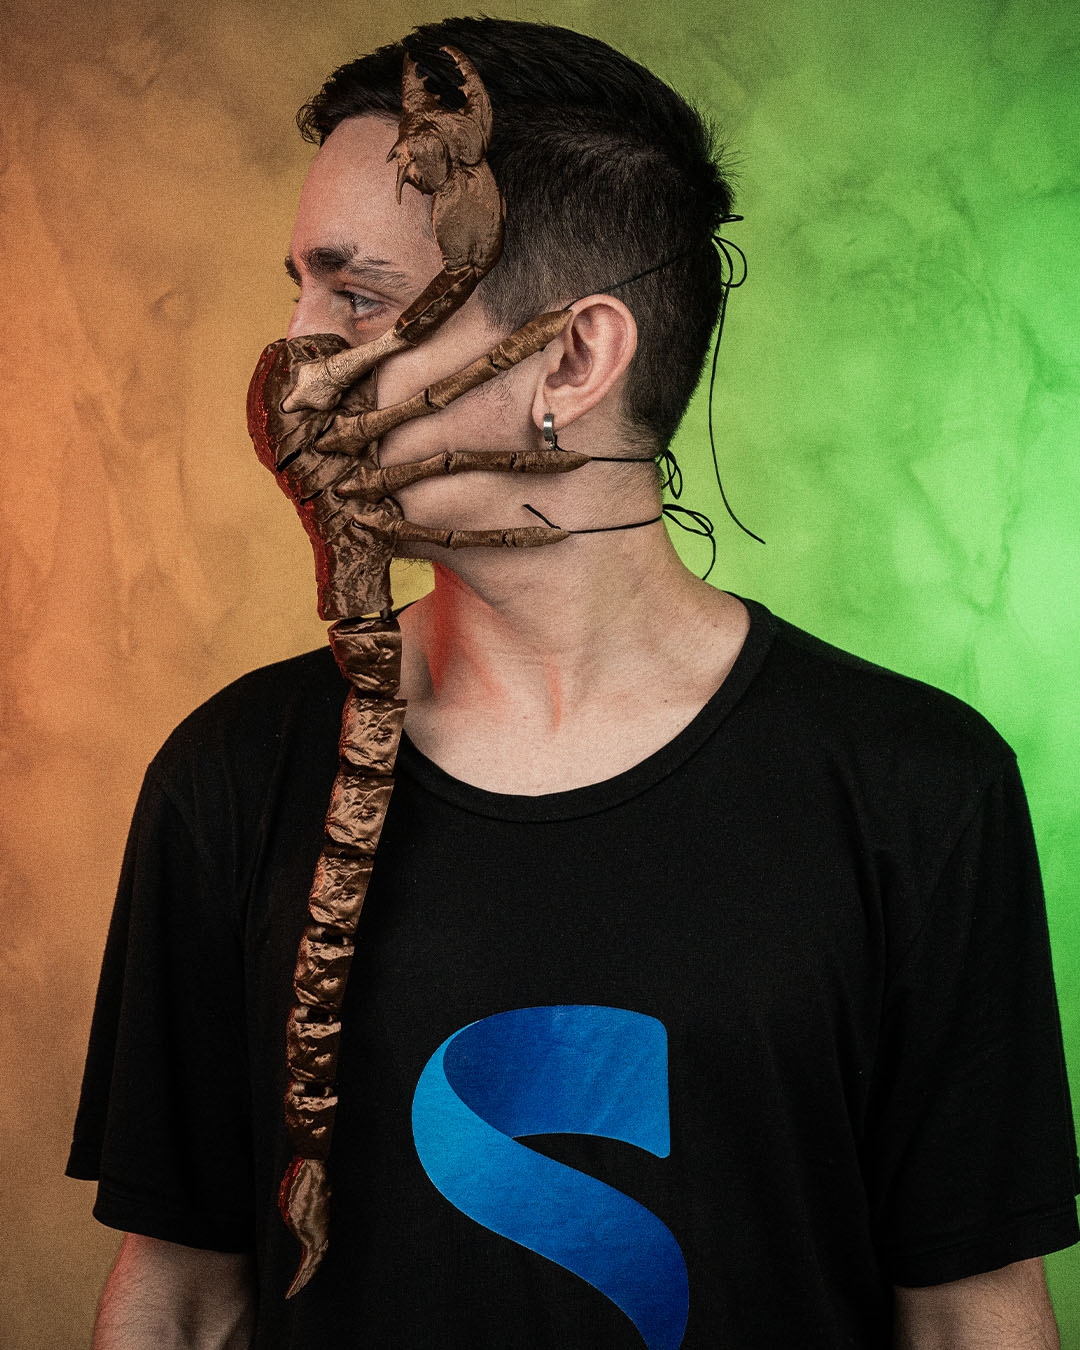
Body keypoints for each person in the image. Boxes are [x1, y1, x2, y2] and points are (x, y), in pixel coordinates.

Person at [67, 16, 1079, 1349]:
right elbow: (185, 1300)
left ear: (570, 360)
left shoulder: (915, 793)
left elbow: (967, 1316)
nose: (293, 352)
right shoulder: (231, 776)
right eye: (298, 289)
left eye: (356, 297)